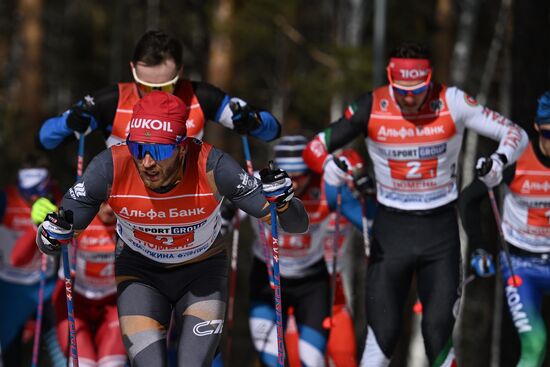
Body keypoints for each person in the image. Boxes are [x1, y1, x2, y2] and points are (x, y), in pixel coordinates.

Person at [35, 91, 308, 367]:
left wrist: (283, 201)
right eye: (138, 148)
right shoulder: (110, 167)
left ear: (182, 146)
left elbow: (294, 225)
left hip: (202, 273)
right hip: (141, 274)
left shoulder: (213, 167)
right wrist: (51, 235)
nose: (147, 162)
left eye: (160, 151)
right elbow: (54, 239)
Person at [301, 41, 529, 366]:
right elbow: (314, 147)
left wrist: (498, 160)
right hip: (391, 231)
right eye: (400, 90)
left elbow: (516, 134)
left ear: (430, 80)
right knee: (382, 334)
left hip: (440, 232)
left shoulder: (452, 101)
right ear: (390, 79)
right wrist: (329, 167)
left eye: (418, 89)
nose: (409, 98)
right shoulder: (372, 105)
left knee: (437, 332)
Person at [37, 29, 281, 150]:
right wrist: (69, 124)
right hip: (131, 207)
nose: (155, 94)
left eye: (164, 86)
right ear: (132, 69)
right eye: (144, 85)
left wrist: (253, 121)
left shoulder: (200, 96)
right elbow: (46, 139)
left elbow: (272, 130)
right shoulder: (111, 101)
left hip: (184, 208)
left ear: (180, 72)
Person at [237, 136, 364, 367]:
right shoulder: (257, 182)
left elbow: (364, 220)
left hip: (311, 281)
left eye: (301, 176)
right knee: (271, 359)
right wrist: (227, 214)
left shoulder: (327, 184)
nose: (294, 184)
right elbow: (225, 214)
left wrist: (366, 196)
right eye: (289, 177)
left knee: (312, 360)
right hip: (268, 278)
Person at [460, 91, 550, 367]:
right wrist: (479, 246)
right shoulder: (517, 158)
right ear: (537, 127)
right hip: (520, 265)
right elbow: (468, 199)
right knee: (535, 344)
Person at [45, 202, 126, 367]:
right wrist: (44, 220)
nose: (109, 209)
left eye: (113, 202)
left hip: (112, 303)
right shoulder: (77, 217)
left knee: (112, 364)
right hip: (76, 302)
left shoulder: (128, 221)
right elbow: (48, 233)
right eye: (103, 202)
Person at [0, 153, 61, 366]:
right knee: (10, 350)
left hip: (46, 284)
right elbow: (16, 259)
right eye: (28, 192)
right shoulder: (6, 199)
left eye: (39, 191)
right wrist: (36, 226)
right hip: (12, 285)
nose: (34, 198)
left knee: (60, 347)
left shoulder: (57, 197)